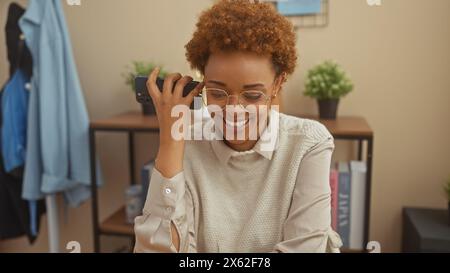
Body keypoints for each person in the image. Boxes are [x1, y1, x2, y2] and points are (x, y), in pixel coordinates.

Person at [134, 0, 342, 253]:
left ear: (277, 84)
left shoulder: (309, 143)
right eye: (218, 93)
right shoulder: (184, 140)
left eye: (252, 96)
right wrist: (170, 142)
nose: (233, 110)